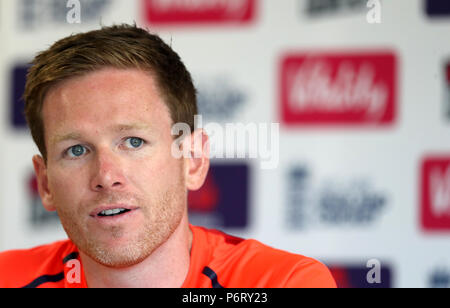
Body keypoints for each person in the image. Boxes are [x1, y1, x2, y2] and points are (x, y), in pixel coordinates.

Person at [0, 24, 336, 288]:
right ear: (44, 183)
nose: (105, 175)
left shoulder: (283, 283)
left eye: (133, 142)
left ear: (192, 160)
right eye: (76, 150)